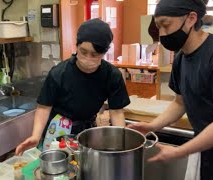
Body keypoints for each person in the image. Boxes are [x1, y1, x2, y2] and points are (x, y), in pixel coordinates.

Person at [127, 0, 213, 179]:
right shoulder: (181, 59)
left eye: (166, 25)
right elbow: (180, 103)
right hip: (204, 150)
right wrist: (152, 126)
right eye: (159, 27)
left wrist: (180, 151)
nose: (162, 34)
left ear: (191, 18)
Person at [16, 18, 130, 155]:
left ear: (104, 53)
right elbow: (44, 108)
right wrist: (35, 136)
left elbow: (116, 112)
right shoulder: (59, 73)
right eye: (83, 52)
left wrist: (121, 143)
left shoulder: (112, 75)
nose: (88, 59)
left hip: (87, 130)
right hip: (57, 131)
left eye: (95, 55)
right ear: (77, 46)